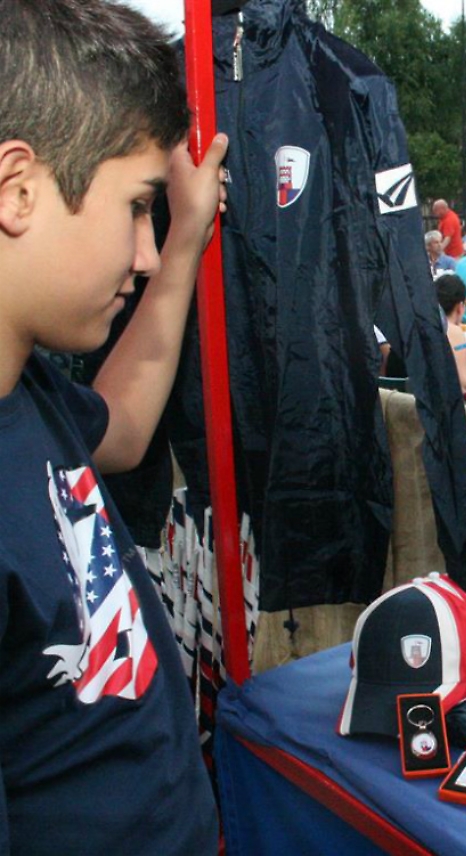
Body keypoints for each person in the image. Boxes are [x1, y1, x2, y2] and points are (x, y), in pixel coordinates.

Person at [0, 1, 229, 852]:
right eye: (137, 207)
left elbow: (125, 426)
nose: (143, 249)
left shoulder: (30, 395)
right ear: (20, 191)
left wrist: (184, 244)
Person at [436, 274, 466, 391]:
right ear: (460, 307)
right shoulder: (452, 330)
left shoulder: (420, 322)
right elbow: (463, 385)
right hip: (435, 402)